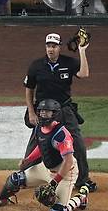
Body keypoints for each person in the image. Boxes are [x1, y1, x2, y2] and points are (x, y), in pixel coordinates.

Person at [0, 99, 89, 211]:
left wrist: (55, 182)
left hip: (65, 174)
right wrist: (28, 159)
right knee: (15, 180)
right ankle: (1, 198)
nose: (43, 114)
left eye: (47, 112)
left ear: (55, 114)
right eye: (41, 111)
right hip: (45, 168)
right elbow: (42, 146)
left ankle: (80, 198)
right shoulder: (40, 128)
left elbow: (68, 161)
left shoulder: (61, 135)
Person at [23, 31, 97, 196]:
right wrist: (31, 112)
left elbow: (84, 74)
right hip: (43, 112)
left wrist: (82, 50)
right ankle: (24, 175)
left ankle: (83, 180)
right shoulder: (36, 66)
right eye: (48, 46)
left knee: (77, 144)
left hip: (64, 110)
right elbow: (29, 89)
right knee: (36, 143)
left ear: (59, 47)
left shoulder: (68, 63)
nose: (51, 49)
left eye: (54, 46)